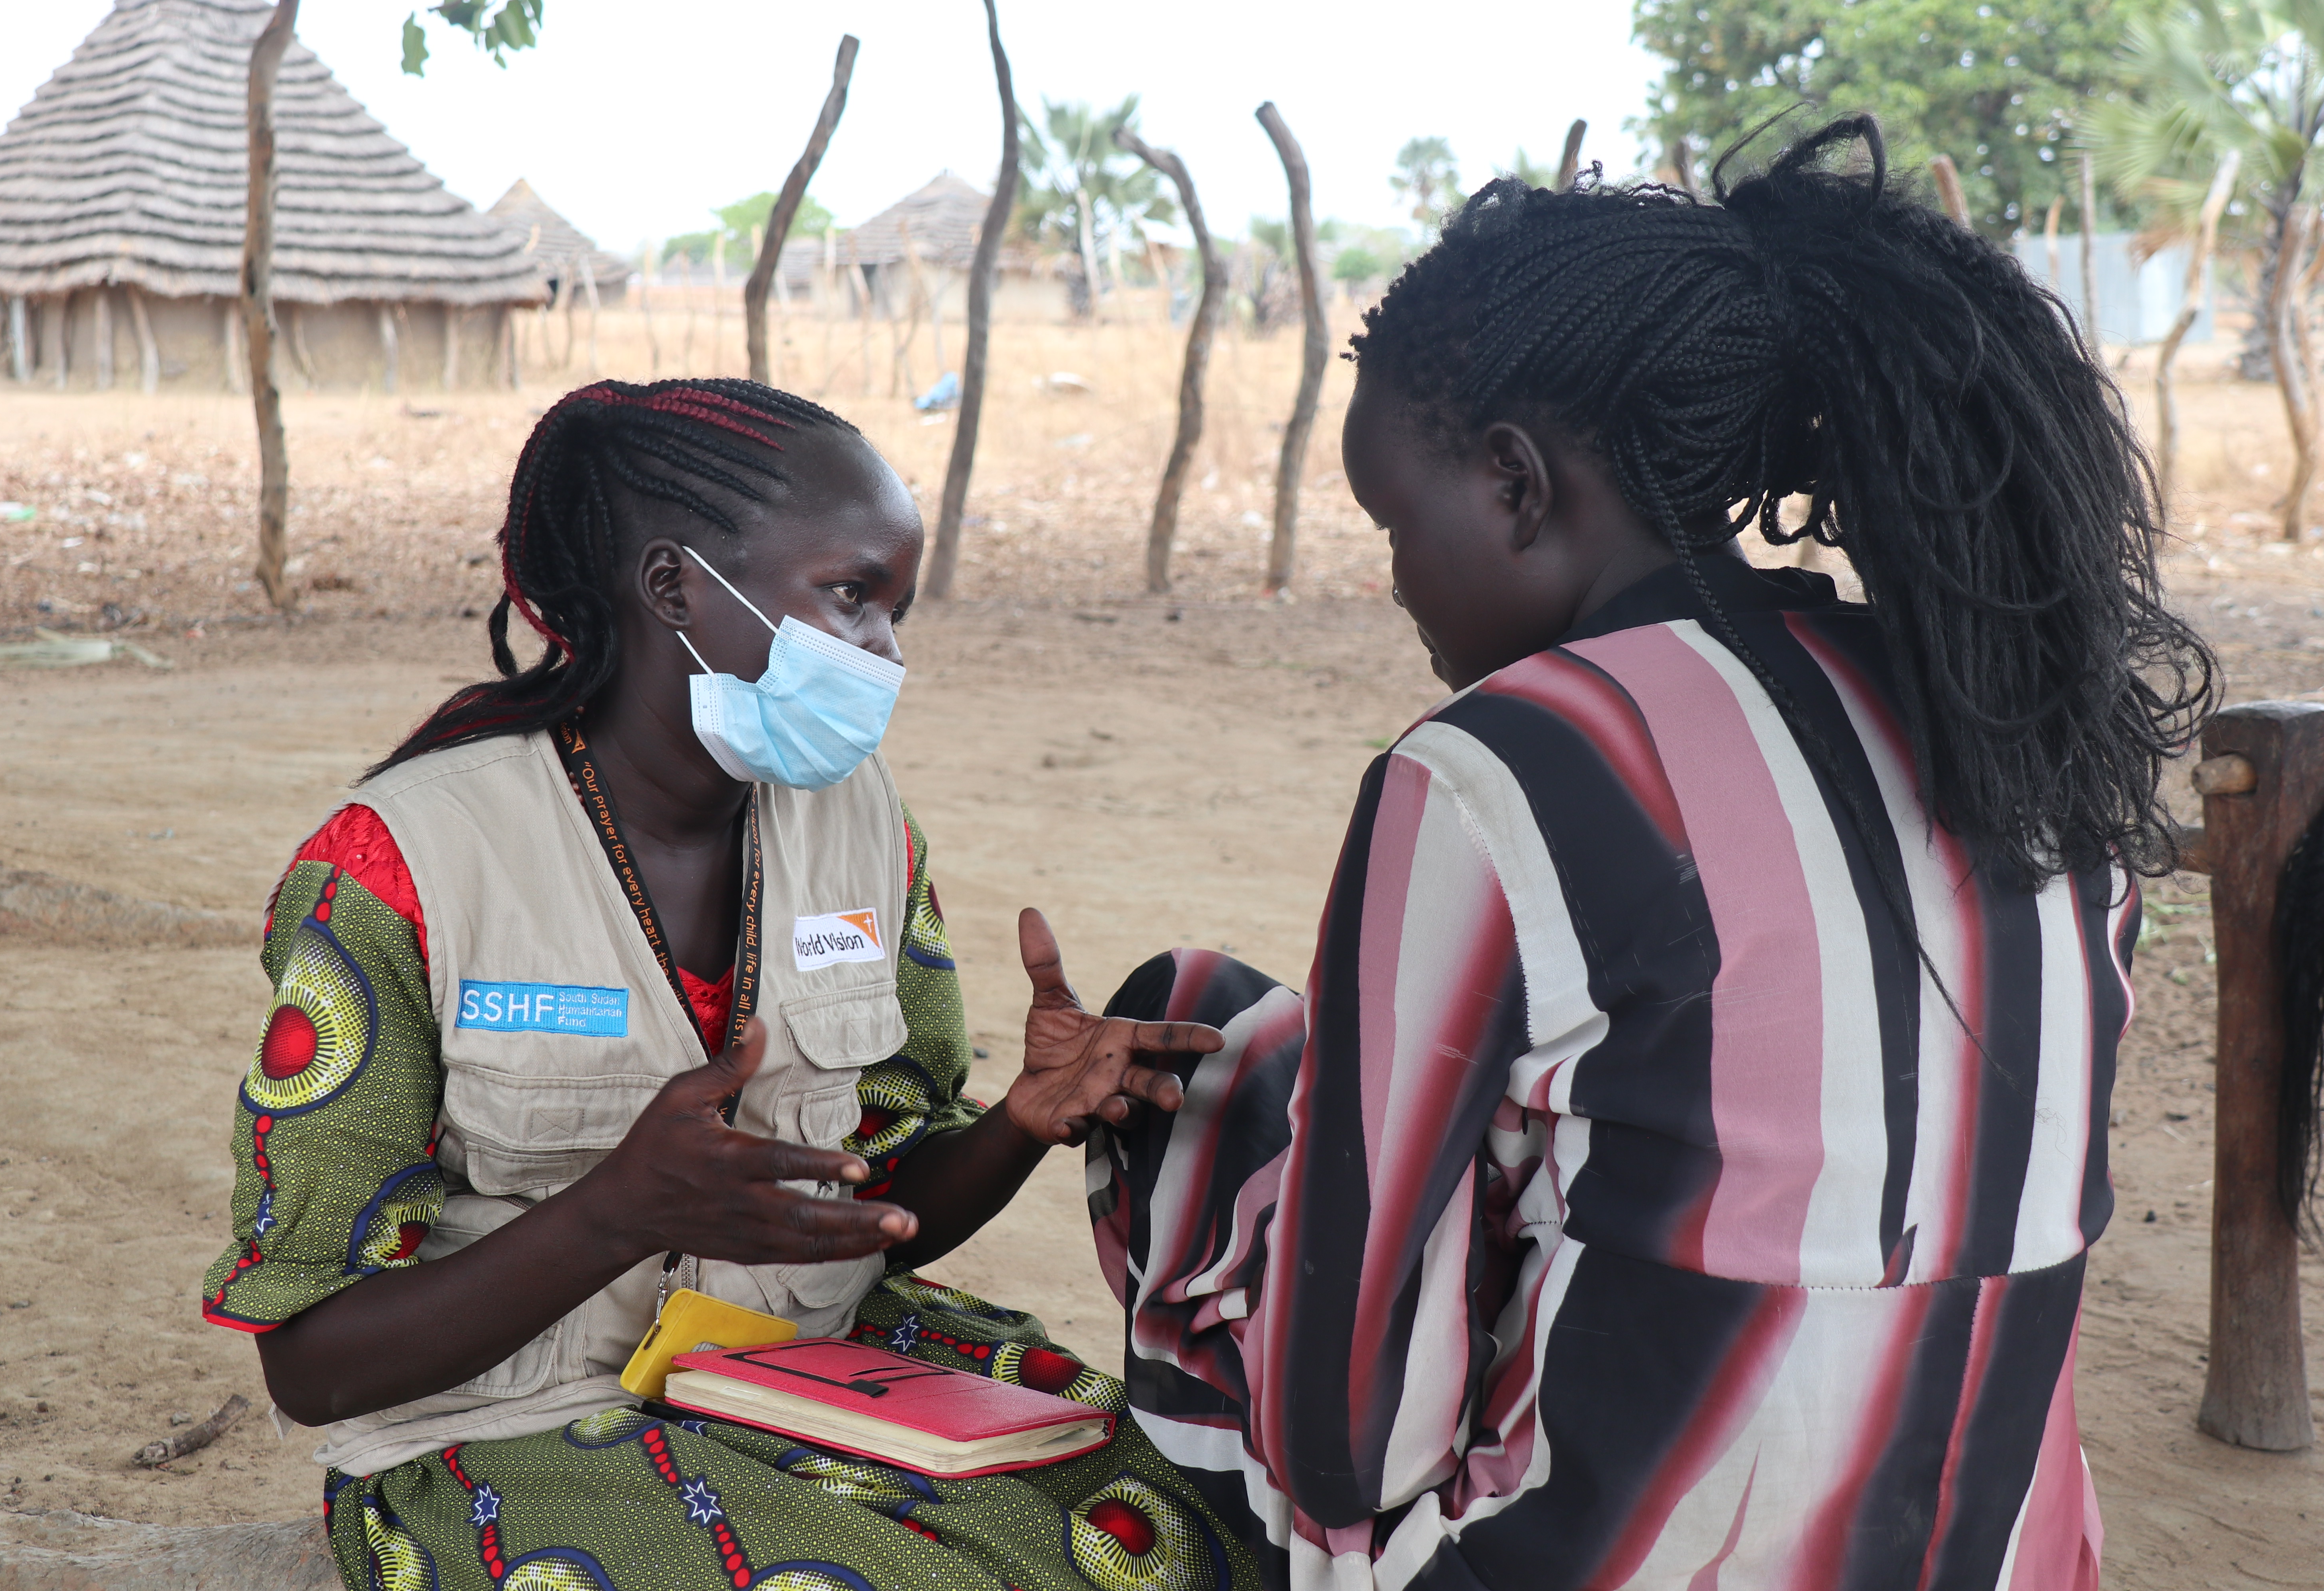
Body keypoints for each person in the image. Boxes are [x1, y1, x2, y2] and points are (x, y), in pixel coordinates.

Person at [1049, 118, 2215, 1589]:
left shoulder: (1500, 763)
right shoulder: (2004, 717)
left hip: (1598, 1563)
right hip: (2004, 1558)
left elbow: (1345, 1441)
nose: (1396, 579)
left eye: (1395, 524)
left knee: (1202, 1035)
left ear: (1516, 484)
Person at [202, 378, 1247, 1591]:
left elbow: (873, 1210)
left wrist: (1019, 1122)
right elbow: (313, 1362)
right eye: (852, 596)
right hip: (506, 1429)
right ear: (675, 587)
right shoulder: (401, 869)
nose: (887, 652)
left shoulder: (866, 829)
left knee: (1204, 1521)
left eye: (897, 610)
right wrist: (617, 1214)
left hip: (809, 1367)